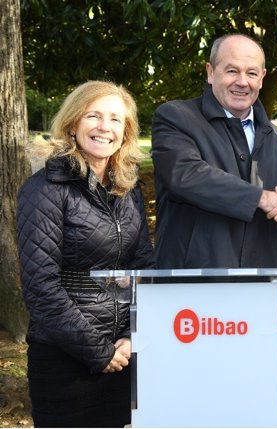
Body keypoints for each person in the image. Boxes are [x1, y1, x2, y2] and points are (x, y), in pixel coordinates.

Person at [16, 80, 155, 427]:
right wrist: (99, 352)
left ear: (126, 132)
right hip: (64, 359)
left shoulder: (129, 187)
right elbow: (41, 288)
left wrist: (130, 337)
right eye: (93, 116)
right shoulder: (45, 189)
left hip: (123, 355)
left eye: (115, 119)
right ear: (73, 123)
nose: (104, 127)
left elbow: (144, 268)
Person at [151, 33, 277, 327]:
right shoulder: (176, 117)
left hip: (261, 298)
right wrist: (262, 197)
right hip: (191, 299)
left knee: (254, 376)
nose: (242, 82)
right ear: (210, 72)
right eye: (232, 70)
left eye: (251, 73)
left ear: (262, 78)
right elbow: (185, 175)